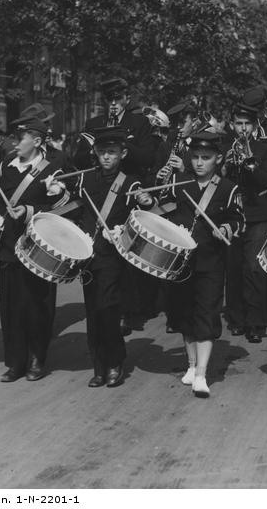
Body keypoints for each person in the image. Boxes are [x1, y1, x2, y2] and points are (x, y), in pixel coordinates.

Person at [0, 115, 71, 382]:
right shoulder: (7, 164)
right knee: (12, 306)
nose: (13, 143)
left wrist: (31, 210)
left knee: (38, 304)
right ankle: (15, 362)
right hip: (9, 245)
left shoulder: (56, 165)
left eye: (20, 139)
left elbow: (66, 206)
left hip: (40, 245)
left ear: (37, 141)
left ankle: (38, 358)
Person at [163, 132, 244, 397]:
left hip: (210, 260)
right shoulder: (178, 182)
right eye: (195, 157)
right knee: (185, 314)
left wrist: (226, 227)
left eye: (206, 158)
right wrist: (148, 202)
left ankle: (201, 374)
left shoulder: (228, 188)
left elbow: (238, 219)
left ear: (218, 159)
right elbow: (164, 210)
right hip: (181, 260)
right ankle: (190, 365)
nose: (199, 163)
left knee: (206, 313)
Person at [76, 127, 154, 388]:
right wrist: (56, 192)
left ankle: (114, 363)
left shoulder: (130, 183)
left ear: (122, 153)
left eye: (111, 152)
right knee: (92, 313)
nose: (106, 157)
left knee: (108, 310)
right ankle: (98, 366)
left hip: (113, 258)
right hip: (88, 256)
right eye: (101, 152)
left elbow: (143, 218)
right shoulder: (85, 180)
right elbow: (75, 212)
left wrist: (145, 201)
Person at [220, 103, 267, 343]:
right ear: (232, 126)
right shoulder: (224, 148)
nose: (243, 129)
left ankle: (256, 322)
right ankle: (236, 318)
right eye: (238, 124)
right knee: (233, 267)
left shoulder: (264, 149)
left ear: (254, 127)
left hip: (258, 214)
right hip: (232, 214)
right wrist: (228, 164)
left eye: (247, 124)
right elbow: (219, 179)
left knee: (253, 266)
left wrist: (250, 164)